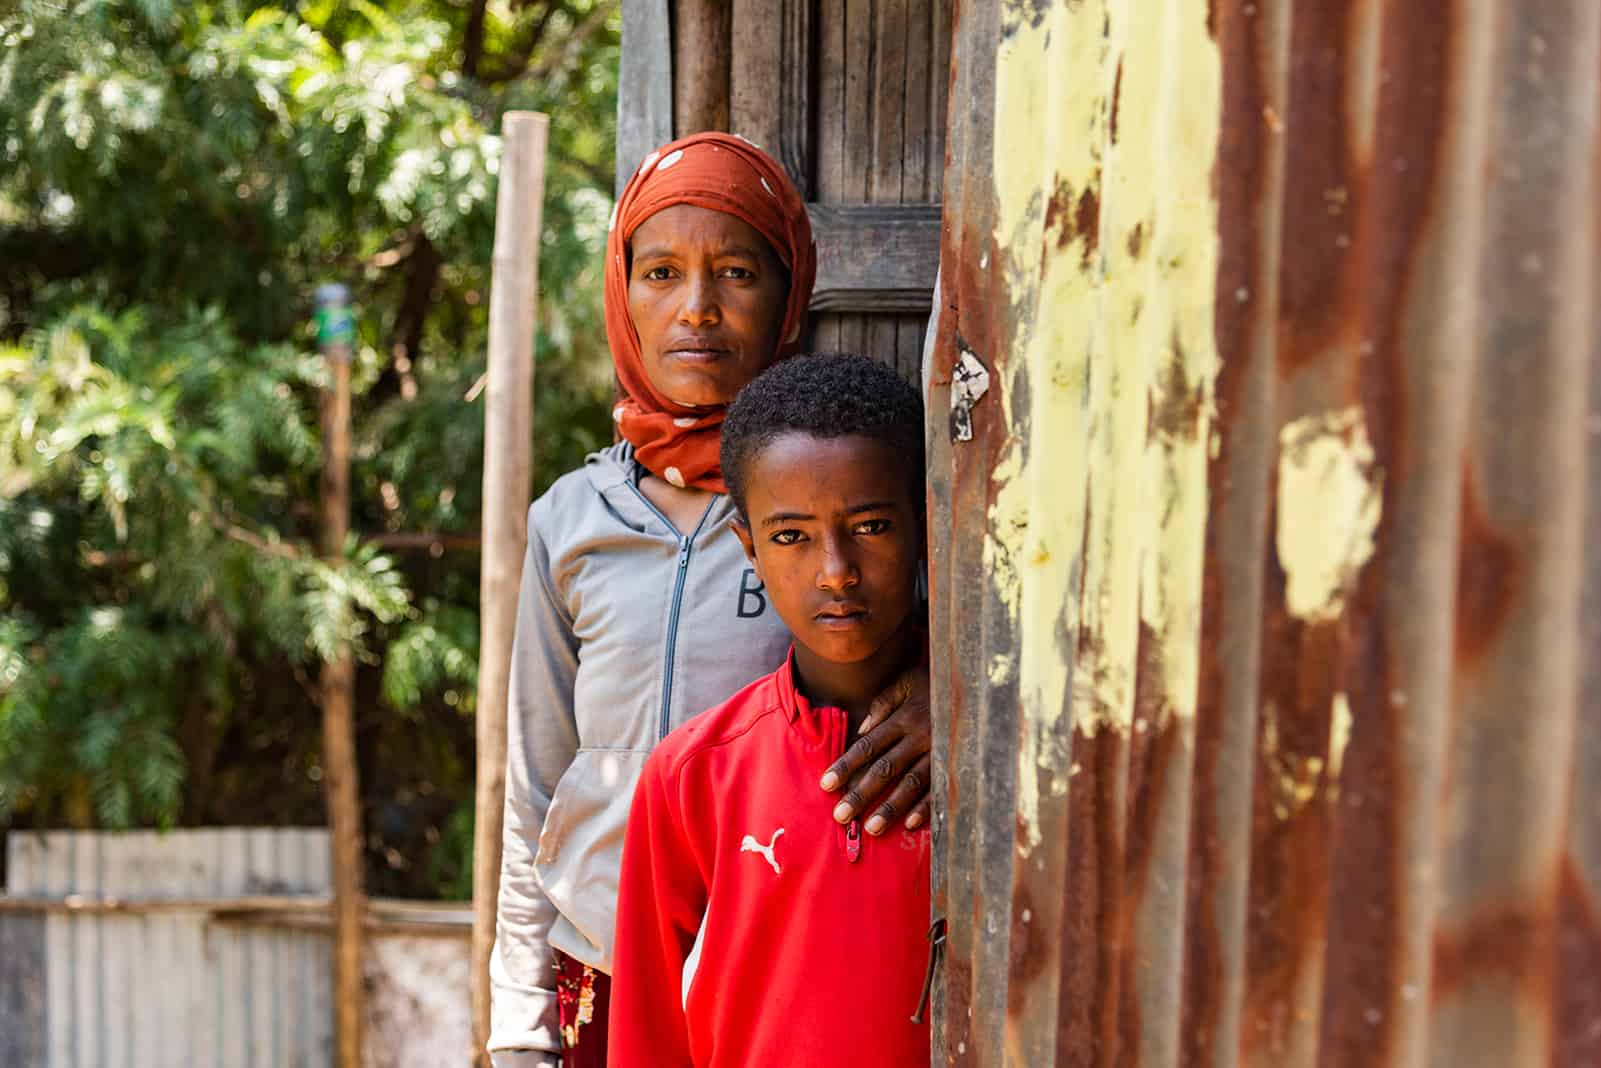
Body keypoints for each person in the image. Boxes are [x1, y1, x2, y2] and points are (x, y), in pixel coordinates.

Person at [488, 134, 934, 1068]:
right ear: (622, 295)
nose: (696, 309)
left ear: (787, 294)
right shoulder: (571, 521)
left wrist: (952, 700)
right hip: (602, 960)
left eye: (735, 271)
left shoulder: (825, 504)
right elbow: (535, 781)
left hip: (779, 941)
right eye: (659, 272)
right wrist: (518, 1022)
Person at [607, 354, 933, 1067]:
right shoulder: (693, 773)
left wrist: (967, 707)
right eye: (791, 536)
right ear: (748, 548)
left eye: (871, 526)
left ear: (925, 527)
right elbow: (646, 1029)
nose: (835, 569)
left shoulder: (983, 741)